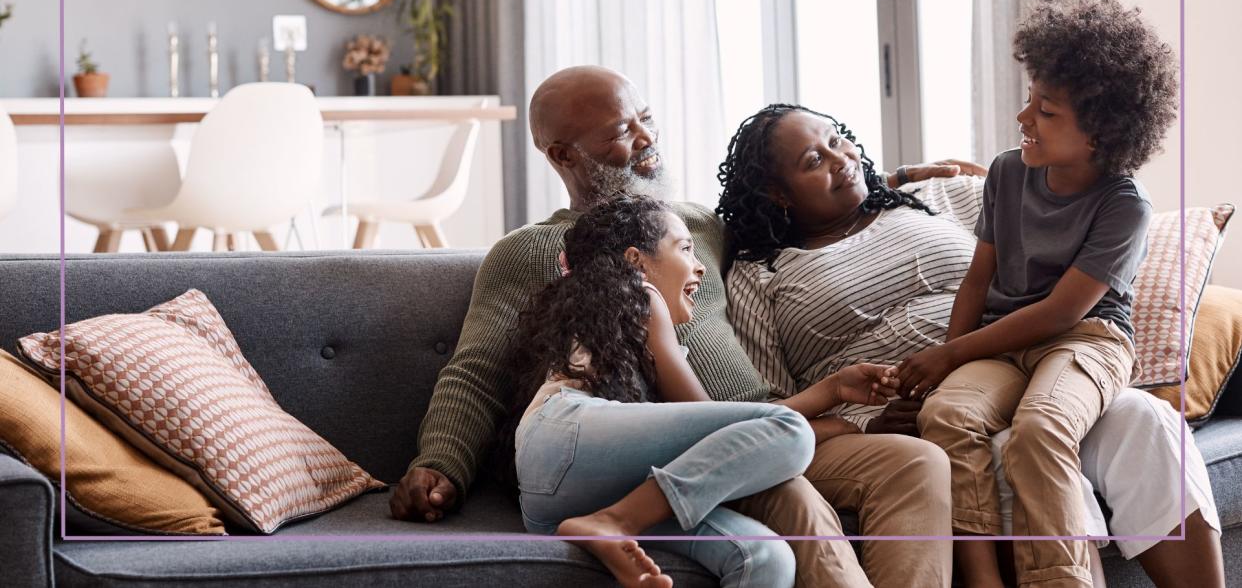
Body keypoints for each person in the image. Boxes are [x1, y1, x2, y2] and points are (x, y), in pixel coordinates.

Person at [392, 65, 965, 588]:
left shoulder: (696, 225)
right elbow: (474, 374)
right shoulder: (527, 251)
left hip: (759, 424)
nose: (646, 140)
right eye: (622, 131)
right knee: (787, 487)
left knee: (915, 462)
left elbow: (780, 198)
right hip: (656, 451)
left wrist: (894, 175)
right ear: (564, 155)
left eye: (647, 120)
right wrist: (440, 462)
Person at [716, 90, 1222, 588]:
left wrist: (906, 175)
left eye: (838, 140)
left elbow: (1045, 193)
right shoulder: (760, 273)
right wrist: (863, 424)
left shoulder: (935, 197)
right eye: (813, 160)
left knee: (1147, 419)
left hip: (1029, 365)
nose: (840, 159)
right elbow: (775, 411)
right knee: (1019, 458)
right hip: (930, 413)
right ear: (778, 194)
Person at [896, 0, 1177, 587]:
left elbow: (1061, 311)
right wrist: (951, 365)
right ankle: (984, 578)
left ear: (1100, 134)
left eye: (1045, 112)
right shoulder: (1006, 171)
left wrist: (950, 353)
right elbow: (979, 279)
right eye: (1029, 101)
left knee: (1039, 430)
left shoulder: (1125, 204)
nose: (1024, 118)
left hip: (1086, 339)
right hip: (1001, 345)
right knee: (947, 415)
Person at [509, 194, 900, 587]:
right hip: (564, 434)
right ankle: (615, 522)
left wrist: (834, 394)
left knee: (763, 555)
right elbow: (717, 422)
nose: (699, 268)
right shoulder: (643, 296)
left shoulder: (616, 330)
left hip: (557, 502)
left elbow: (724, 445)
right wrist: (832, 409)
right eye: (684, 249)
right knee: (790, 431)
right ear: (635, 261)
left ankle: (612, 519)